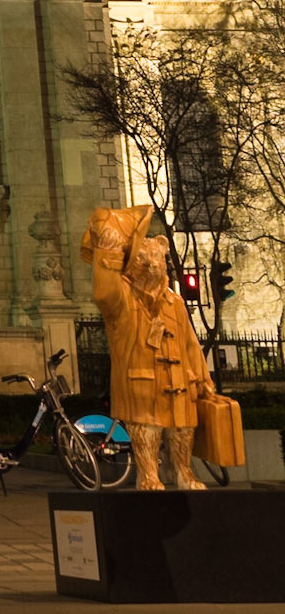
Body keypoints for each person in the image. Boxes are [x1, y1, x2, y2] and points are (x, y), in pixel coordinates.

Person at [81, 204, 212, 490]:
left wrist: (202, 377)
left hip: (179, 383)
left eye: (156, 258)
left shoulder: (174, 302)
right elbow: (103, 290)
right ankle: (148, 473)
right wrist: (109, 250)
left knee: (182, 430)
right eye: (143, 258)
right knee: (147, 430)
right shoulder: (122, 298)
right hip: (141, 380)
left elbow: (190, 343)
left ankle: (184, 472)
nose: (152, 264)